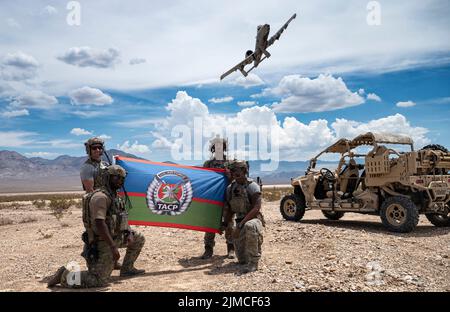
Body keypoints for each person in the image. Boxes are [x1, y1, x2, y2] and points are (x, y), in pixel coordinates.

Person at [47, 165, 145, 288]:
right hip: (102, 242)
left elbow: (122, 218)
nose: (119, 181)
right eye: (116, 177)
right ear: (107, 178)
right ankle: (65, 275)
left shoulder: (116, 197)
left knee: (139, 238)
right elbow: (100, 223)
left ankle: (127, 268)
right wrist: (113, 247)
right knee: (99, 280)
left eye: (121, 178)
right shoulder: (101, 197)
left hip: (115, 236)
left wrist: (129, 232)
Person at [224, 161, 264, 273]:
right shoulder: (230, 188)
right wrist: (225, 223)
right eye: (233, 171)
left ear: (244, 171)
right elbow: (231, 209)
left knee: (249, 226)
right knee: (242, 260)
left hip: (253, 221)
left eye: (238, 170)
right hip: (239, 222)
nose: (235, 173)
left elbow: (256, 208)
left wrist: (240, 226)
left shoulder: (252, 186)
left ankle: (254, 263)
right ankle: (249, 256)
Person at [201, 136, 235, 259]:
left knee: (229, 223)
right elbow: (203, 180)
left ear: (225, 148)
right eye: (217, 146)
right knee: (210, 223)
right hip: (212, 199)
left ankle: (231, 248)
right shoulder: (208, 164)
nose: (219, 148)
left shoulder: (231, 164)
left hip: (227, 198)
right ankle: (208, 249)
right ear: (213, 148)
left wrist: (229, 176)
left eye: (222, 146)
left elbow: (237, 180)